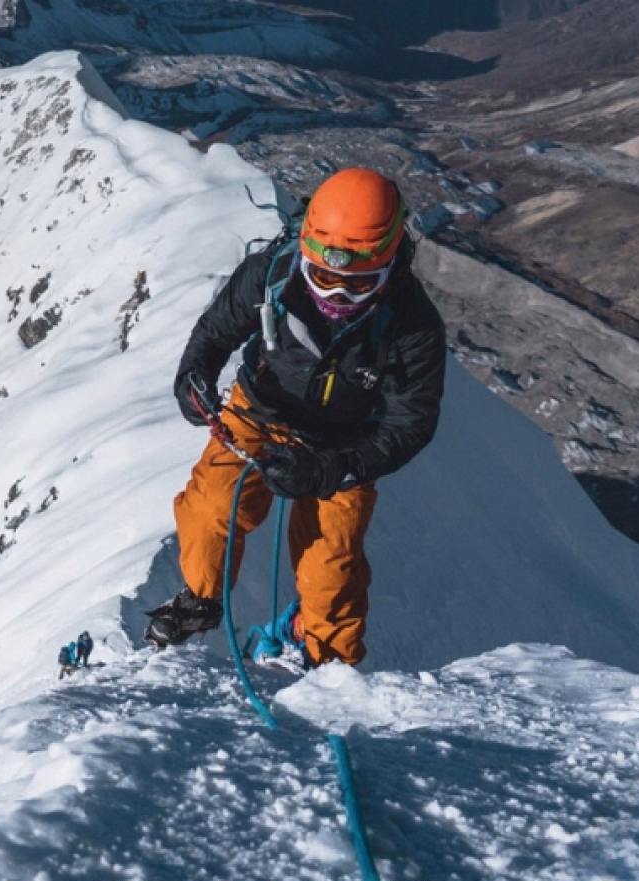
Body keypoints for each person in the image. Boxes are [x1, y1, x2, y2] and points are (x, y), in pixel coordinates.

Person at [145, 168, 447, 667]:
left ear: (389, 264)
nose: (337, 295)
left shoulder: (412, 326)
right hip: (259, 413)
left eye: (357, 284)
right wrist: (193, 378)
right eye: (324, 276)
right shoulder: (271, 274)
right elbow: (215, 333)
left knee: (332, 568)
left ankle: (324, 654)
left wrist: (331, 469)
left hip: (346, 445)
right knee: (210, 510)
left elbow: (411, 424)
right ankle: (200, 600)